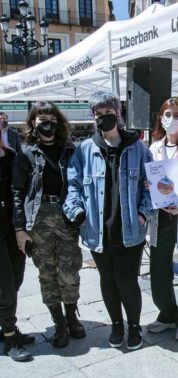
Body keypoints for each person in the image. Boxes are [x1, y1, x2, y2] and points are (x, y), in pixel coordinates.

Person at [64, 91, 153, 351]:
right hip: (97, 230)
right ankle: (116, 324)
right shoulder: (84, 150)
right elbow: (73, 185)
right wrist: (77, 212)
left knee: (127, 280)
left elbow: (154, 186)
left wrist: (143, 212)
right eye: (99, 114)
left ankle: (134, 325)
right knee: (108, 280)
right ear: (93, 117)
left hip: (130, 229)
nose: (104, 117)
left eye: (109, 112)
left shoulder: (138, 147)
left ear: (118, 113)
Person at [12, 102, 85, 349]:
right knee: (47, 272)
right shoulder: (25, 153)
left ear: (59, 122)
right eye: (42, 119)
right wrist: (20, 229)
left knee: (70, 269)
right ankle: (59, 324)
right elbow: (17, 191)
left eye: (52, 119)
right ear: (33, 123)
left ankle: (72, 316)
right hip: (39, 216)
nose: (47, 124)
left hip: (65, 214)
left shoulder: (70, 150)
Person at [147, 98, 178, 341]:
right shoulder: (153, 148)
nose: (172, 118)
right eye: (167, 113)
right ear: (160, 117)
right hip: (161, 216)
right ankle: (167, 313)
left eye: (177, 115)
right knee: (158, 268)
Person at [0, 138, 34, 361]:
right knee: (5, 285)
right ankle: (10, 337)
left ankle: (6, 325)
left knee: (17, 279)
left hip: (13, 229)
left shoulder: (13, 156)